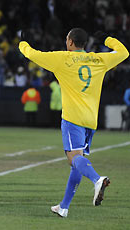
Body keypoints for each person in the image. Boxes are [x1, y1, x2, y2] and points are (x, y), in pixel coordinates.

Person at [19, 28, 129, 217]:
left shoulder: (62, 59)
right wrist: (107, 40)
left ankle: (97, 179)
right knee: (78, 161)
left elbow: (33, 55)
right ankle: (64, 206)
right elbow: (124, 52)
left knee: (73, 158)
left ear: (70, 42)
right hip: (91, 120)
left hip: (72, 118)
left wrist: (24, 42)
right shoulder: (99, 60)